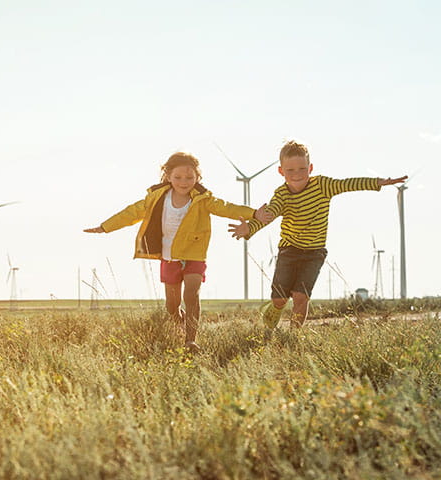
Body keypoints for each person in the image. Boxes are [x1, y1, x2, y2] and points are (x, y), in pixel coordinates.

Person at [84, 151, 273, 352]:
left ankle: (191, 339)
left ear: (197, 177)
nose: (184, 182)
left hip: (194, 255)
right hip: (169, 257)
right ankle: (179, 322)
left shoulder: (203, 199)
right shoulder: (156, 198)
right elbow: (130, 213)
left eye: (190, 177)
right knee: (172, 306)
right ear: (168, 177)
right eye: (178, 177)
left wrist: (254, 213)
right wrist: (105, 227)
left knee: (192, 294)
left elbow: (227, 208)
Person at [228, 140, 407, 329]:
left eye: (302, 169)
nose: (297, 174)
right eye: (290, 170)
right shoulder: (282, 194)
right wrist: (250, 228)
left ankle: (294, 334)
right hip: (289, 250)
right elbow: (269, 214)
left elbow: (348, 184)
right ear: (281, 171)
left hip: (314, 252)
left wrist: (378, 183)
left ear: (310, 168)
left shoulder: (323, 185)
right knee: (280, 298)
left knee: (300, 296)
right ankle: (275, 308)